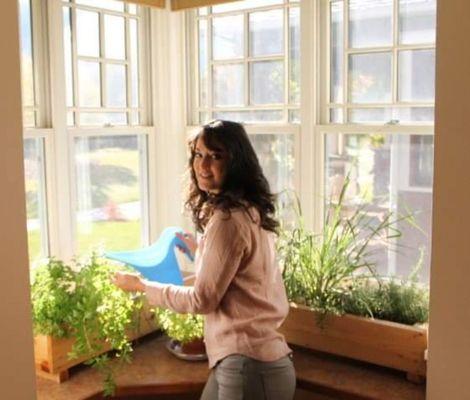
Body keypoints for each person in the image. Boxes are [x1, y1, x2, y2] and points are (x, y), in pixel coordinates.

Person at [112, 120, 296, 400]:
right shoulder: (247, 210)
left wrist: (141, 286)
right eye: (198, 154)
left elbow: (203, 300)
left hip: (249, 367)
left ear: (236, 161)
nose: (202, 165)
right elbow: (246, 275)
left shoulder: (227, 220)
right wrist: (203, 251)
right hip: (250, 362)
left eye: (216, 156)